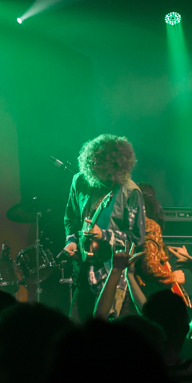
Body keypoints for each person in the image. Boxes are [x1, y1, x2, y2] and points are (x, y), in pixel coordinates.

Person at [62, 134, 146, 322]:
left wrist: (105, 235)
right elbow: (71, 217)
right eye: (106, 173)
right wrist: (71, 241)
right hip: (83, 272)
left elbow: (137, 238)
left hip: (112, 277)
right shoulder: (80, 181)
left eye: (115, 171)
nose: (111, 178)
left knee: (105, 339)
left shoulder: (130, 191)